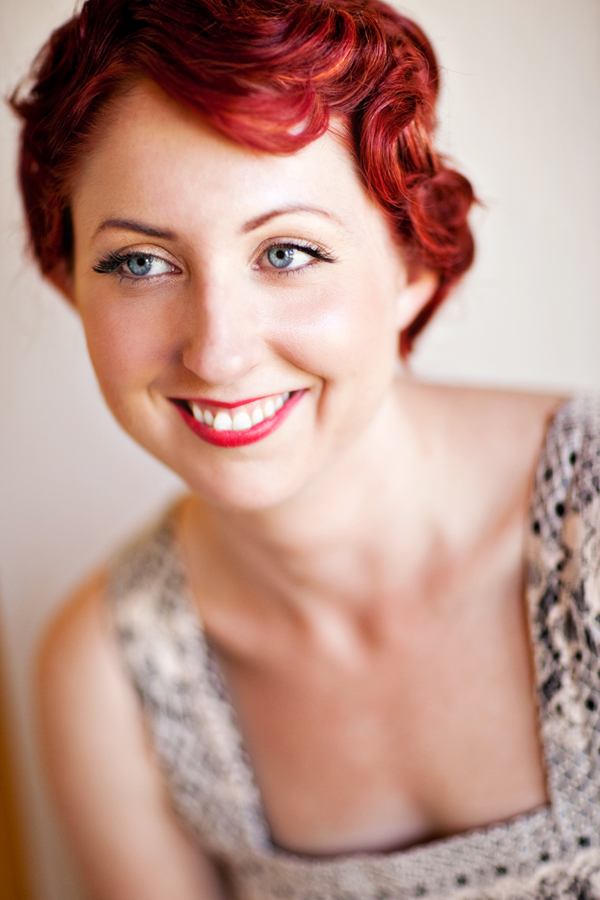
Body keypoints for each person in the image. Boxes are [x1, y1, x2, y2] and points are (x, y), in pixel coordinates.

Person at [10, 0, 600, 897]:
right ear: (69, 284)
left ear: (414, 264)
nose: (217, 353)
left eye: (286, 253)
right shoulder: (109, 679)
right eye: (140, 263)